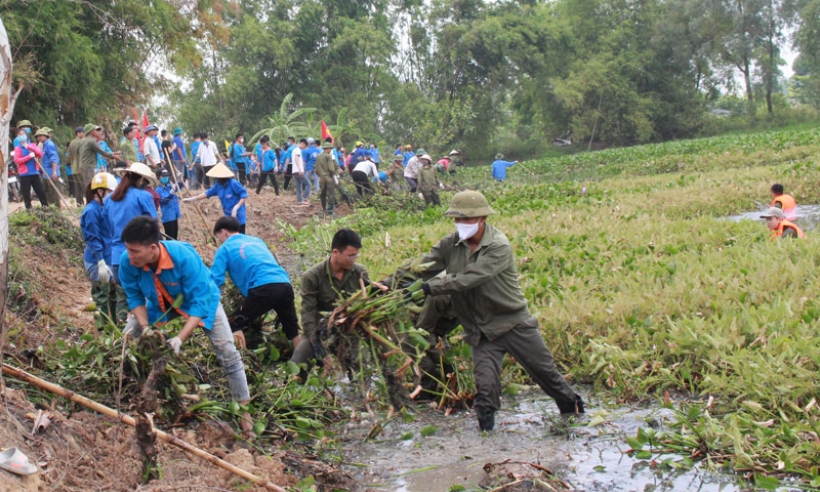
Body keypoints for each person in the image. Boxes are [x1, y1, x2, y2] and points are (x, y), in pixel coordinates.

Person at [390, 191, 584, 431]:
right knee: (485, 392)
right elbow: (424, 265)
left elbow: (468, 279)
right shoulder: (450, 244)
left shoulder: (498, 246)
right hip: (480, 331)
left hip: (513, 324)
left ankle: (574, 416)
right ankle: (487, 443)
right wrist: (388, 283)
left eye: (467, 220)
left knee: (548, 377)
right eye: (457, 220)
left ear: (482, 218)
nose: (461, 225)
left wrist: (428, 288)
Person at [118, 216, 253, 435]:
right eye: (128, 250)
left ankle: (244, 411)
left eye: (134, 251)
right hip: (159, 301)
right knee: (127, 337)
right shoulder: (128, 262)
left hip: (200, 299)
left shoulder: (184, 257)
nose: (129, 256)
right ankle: (126, 389)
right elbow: (134, 298)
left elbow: (200, 303)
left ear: (152, 248)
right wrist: (145, 328)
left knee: (227, 350)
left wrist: (179, 338)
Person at [291, 229, 386, 365]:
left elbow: (370, 299)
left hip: (349, 331)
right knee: (297, 363)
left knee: (361, 367)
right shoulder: (312, 277)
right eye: (351, 256)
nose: (354, 260)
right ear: (335, 252)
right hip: (321, 330)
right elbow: (308, 316)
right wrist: (319, 350)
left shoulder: (359, 272)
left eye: (356, 256)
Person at [210, 217, 301, 351]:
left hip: (264, 288)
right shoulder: (256, 241)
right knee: (292, 330)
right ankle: (305, 364)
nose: (220, 241)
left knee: (233, 324)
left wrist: (209, 304)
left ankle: (242, 361)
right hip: (284, 283)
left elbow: (215, 280)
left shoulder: (225, 249)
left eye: (219, 237)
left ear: (224, 232)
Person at [105, 162, 160, 323]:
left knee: (123, 298)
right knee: (144, 299)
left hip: (115, 257)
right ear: (141, 179)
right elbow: (153, 226)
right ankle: (146, 334)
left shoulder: (109, 199)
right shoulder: (143, 196)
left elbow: (108, 227)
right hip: (139, 256)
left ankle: (120, 339)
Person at [81, 172, 118, 327]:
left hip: (110, 256)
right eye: (109, 192)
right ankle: (102, 330)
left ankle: (115, 327)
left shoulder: (105, 208)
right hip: (97, 260)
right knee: (101, 295)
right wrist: (101, 261)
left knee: (112, 295)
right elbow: (93, 238)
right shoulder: (91, 211)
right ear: (100, 192)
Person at [182, 163, 248, 233]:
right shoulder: (218, 185)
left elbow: (244, 195)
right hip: (228, 217)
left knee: (239, 237)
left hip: (238, 216)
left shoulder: (233, 184)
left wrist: (237, 207)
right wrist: (193, 199)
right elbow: (207, 193)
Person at [79, 123, 120, 195]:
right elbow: (102, 152)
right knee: (90, 185)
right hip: (89, 165)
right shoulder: (91, 141)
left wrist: (113, 154)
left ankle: (89, 200)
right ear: (91, 131)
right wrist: (113, 156)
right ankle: (91, 201)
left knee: (87, 184)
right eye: (95, 130)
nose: (97, 132)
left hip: (83, 165)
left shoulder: (83, 140)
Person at [13, 131, 49, 209]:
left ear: (26, 136)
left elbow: (39, 154)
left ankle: (46, 207)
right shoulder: (18, 148)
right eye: (19, 134)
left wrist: (28, 147)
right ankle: (29, 210)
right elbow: (17, 160)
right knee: (26, 194)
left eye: (22, 134)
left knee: (40, 192)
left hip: (34, 173)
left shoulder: (32, 145)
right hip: (24, 174)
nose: (21, 135)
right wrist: (29, 157)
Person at [36, 128, 63, 208]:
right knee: (45, 191)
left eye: (41, 136)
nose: (39, 138)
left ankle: (57, 209)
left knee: (53, 193)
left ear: (46, 136)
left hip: (51, 173)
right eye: (37, 136)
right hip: (45, 173)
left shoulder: (49, 144)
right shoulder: (44, 145)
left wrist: (54, 172)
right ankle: (51, 207)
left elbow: (54, 159)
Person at [156, 169, 182, 240]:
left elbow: (179, 185)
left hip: (174, 215)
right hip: (167, 217)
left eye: (167, 176)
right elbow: (164, 200)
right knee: (170, 238)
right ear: (158, 177)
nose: (166, 178)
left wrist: (180, 178)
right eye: (164, 176)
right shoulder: (158, 190)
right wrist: (172, 192)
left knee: (175, 237)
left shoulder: (169, 186)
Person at [316, 141, 340, 214]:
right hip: (328, 177)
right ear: (328, 149)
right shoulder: (328, 156)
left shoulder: (318, 156)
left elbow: (316, 169)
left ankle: (323, 208)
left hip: (321, 177)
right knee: (331, 193)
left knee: (323, 193)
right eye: (330, 149)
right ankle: (330, 210)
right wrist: (335, 174)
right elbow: (331, 168)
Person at [67, 126, 85, 204]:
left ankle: (79, 204)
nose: (84, 134)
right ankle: (89, 203)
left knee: (77, 188)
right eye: (83, 132)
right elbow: (82, 155)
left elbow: (69, 155)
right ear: (78, 133)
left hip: (74, 168)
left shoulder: (72, 142)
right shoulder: (81, 142)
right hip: (81, 168)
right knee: (85, 187)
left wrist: (69, 163)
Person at [291, 138, 309, 206]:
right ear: (302, 144)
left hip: (294, 171)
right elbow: (296, 158)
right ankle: (305, 199)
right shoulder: (298, 150)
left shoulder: (294, 150)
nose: (304, 148)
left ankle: (299, 201)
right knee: (308, 184)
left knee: (298, 187)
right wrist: (299, 168)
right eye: (304, 146)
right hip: (298, 171)